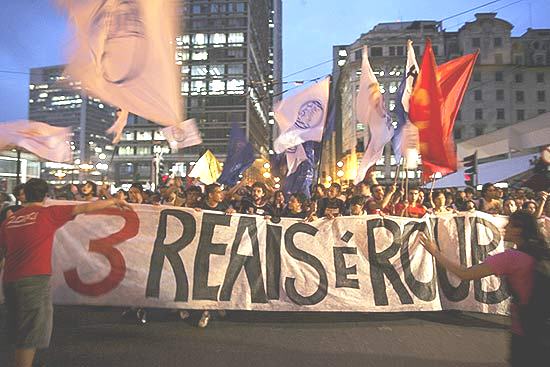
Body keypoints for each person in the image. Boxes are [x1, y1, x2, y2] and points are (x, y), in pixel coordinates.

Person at [0, 178, 131, 367]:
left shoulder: (10, 221)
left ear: (24, 194)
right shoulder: (48, 213)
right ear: (45, 196)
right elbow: (85, 208)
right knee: (31, 329)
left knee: (16, 325)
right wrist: (115, 201)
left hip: (10, 279)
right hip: (34, 279)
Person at [418, 210, 548, 366]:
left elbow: (464, 274)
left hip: (526, 330)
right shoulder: (542, 252)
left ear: (519, 230)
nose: (505, 228)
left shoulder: (511, 258)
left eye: (510, 225)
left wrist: (435, 252)